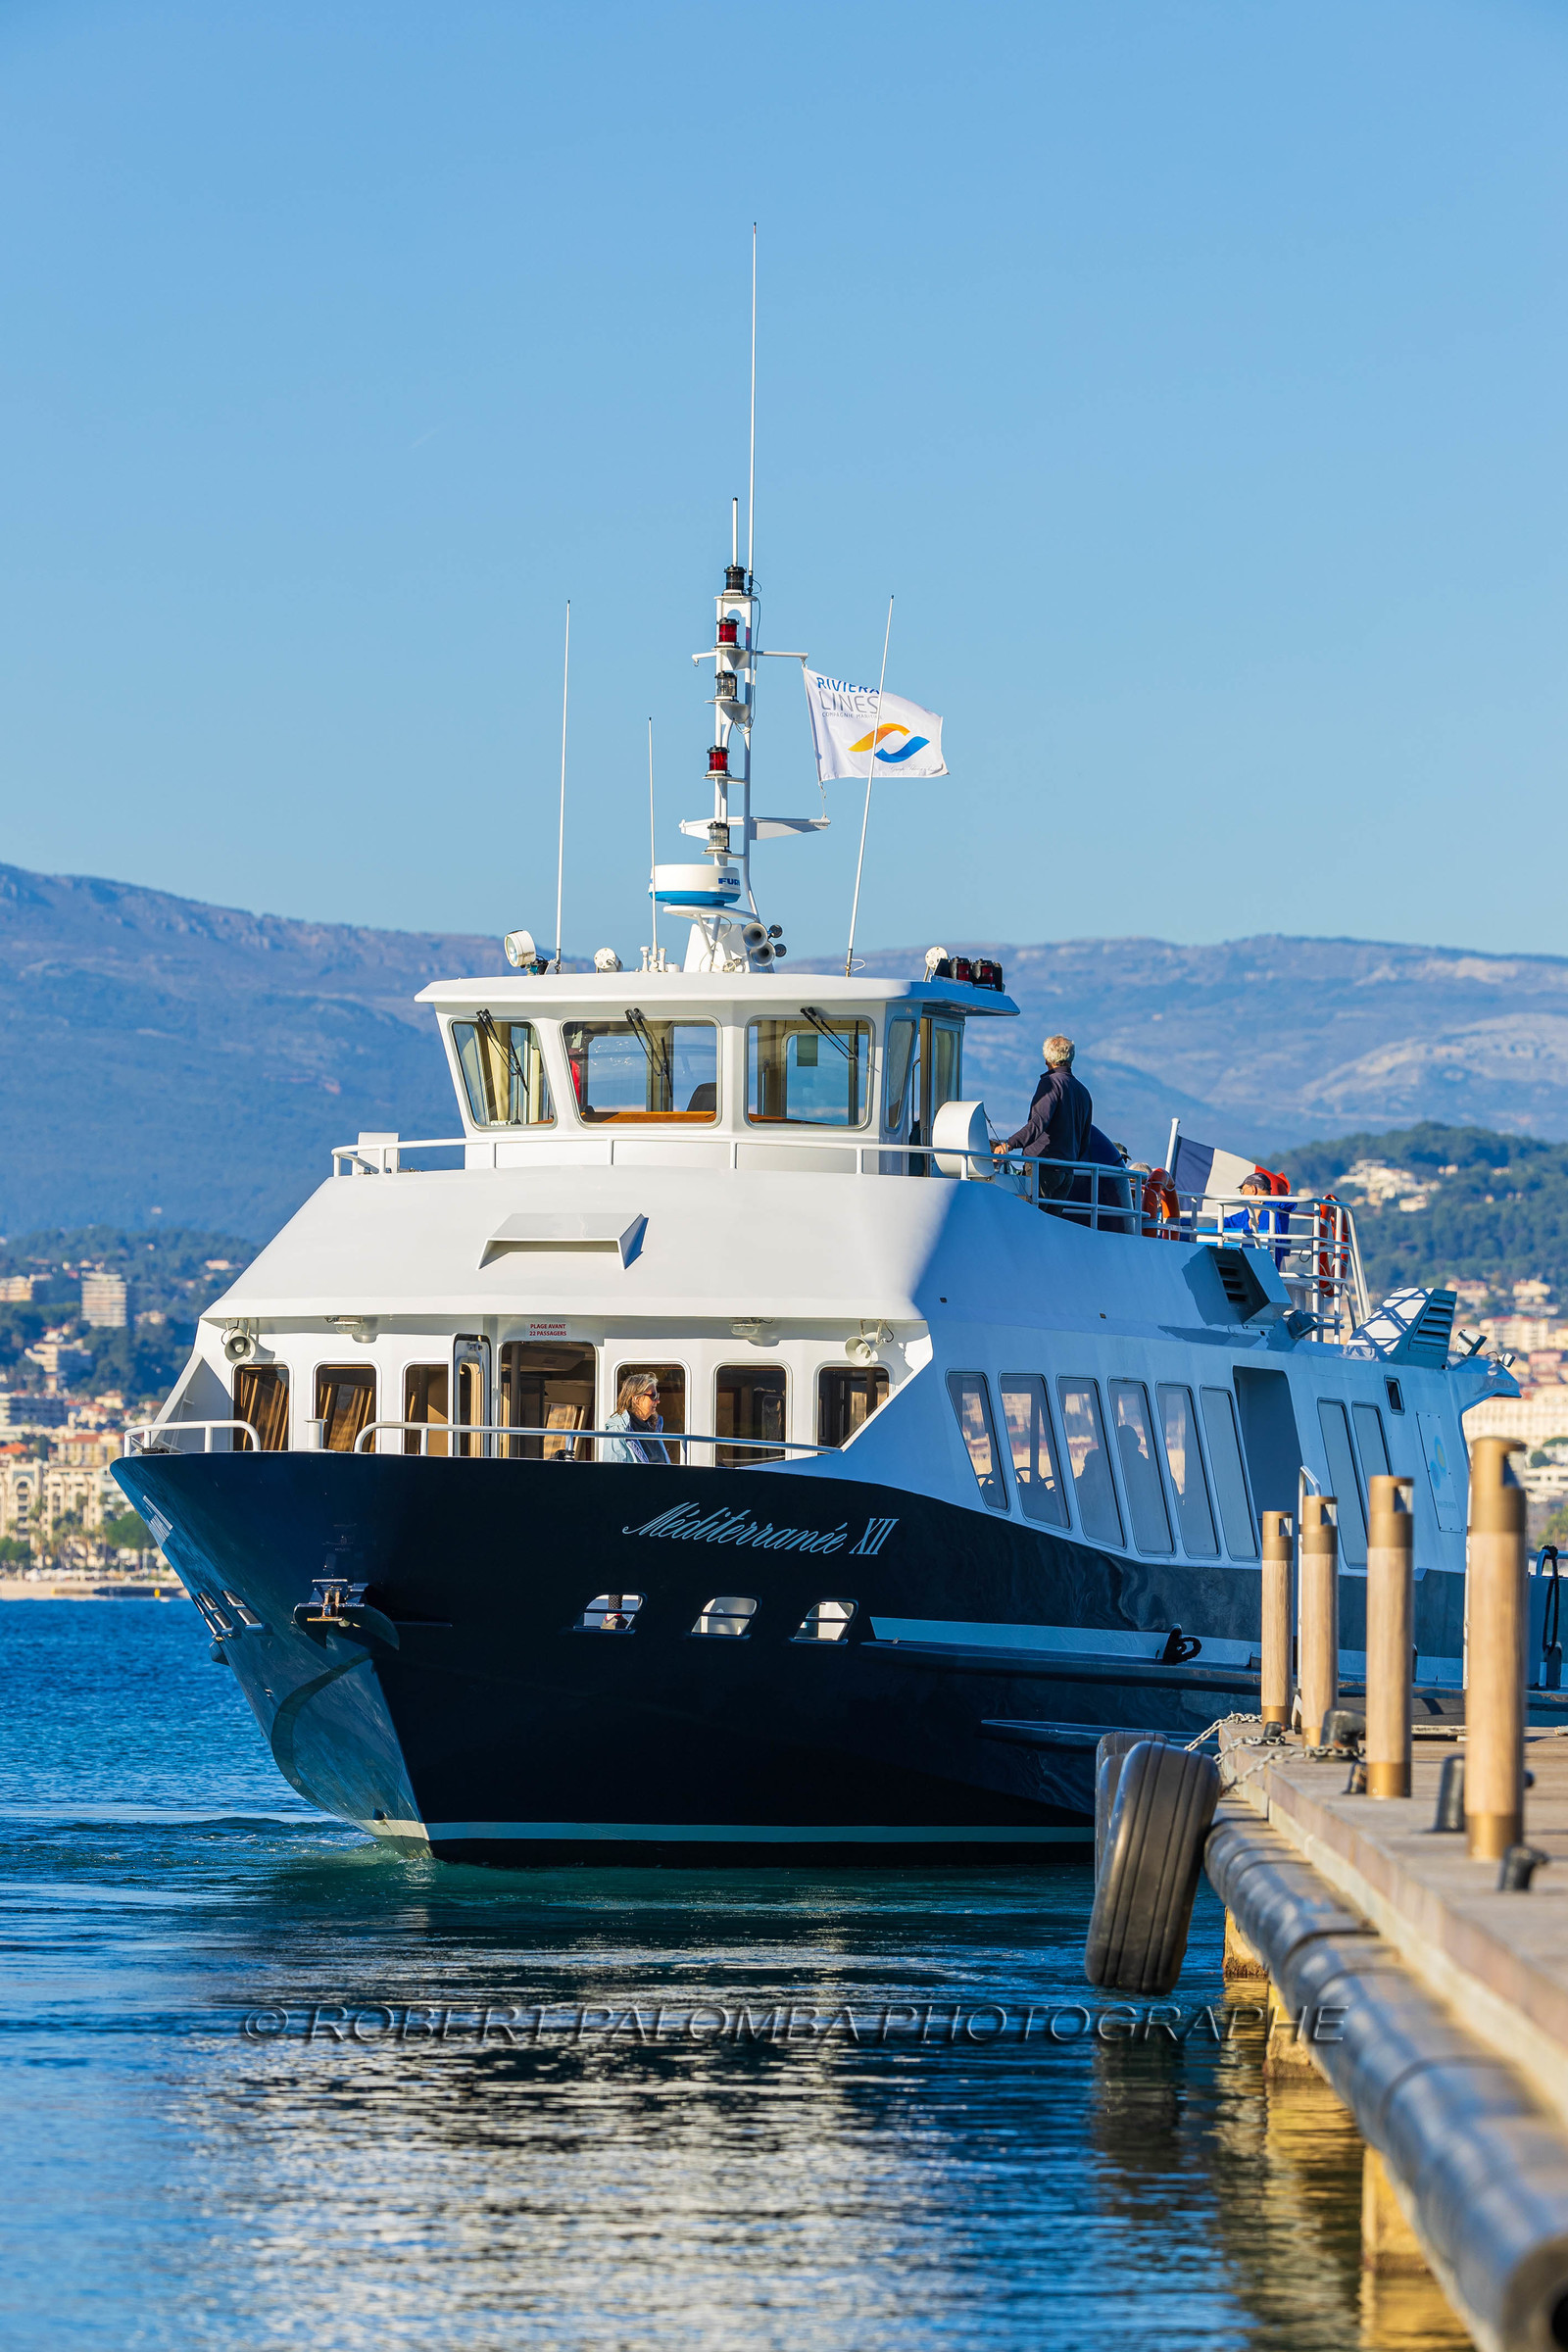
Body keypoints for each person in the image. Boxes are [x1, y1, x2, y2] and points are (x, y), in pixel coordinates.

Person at [994, 1035, 1094, 1202]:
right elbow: (1085, 1139)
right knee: (1051, 1224)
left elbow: (1037, 1123)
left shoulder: (1050, 1083)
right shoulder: (1083, 1092)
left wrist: (1009, 1144)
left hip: (1044, 1167)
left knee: (1028, 1218)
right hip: (1067, 1171)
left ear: (1048, 1059)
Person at [603, 1372, 670, 1465]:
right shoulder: (618, 1430)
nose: (658, 1401)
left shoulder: (654, 1426)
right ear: (636, 1399)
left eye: (657, 1396)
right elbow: (614, 1473)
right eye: (653, 1396)